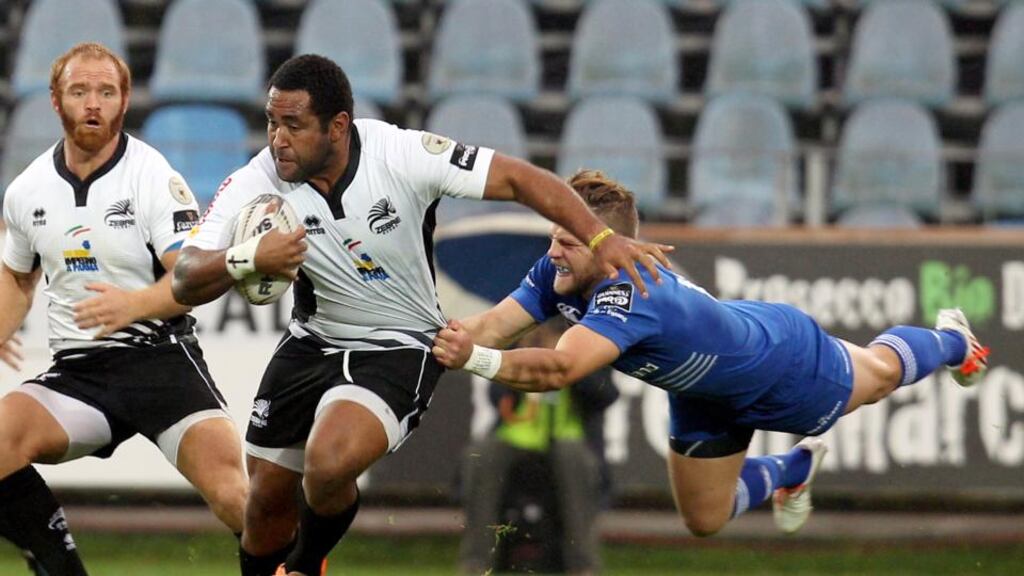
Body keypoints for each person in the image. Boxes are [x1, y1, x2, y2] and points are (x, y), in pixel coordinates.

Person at [170, 54, 671, 576]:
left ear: (338, 126)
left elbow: (522, 179)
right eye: (272, 122)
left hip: (401, 346)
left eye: (293, 125)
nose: (277, 139)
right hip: (311, 341)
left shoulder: (401, 154)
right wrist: (248, 258)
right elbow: (185, 277)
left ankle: (307, 564)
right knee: (264, 507)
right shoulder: (259, 179)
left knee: (327, 463)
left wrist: (600, 236)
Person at [432, 169, 991, 538]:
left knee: (882, 371)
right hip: (702, 393)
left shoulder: (632, 292)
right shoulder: (559, 268)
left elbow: (560, 367)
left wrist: (473, 360)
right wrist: (433, 340)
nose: (553, 250)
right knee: (704, 517)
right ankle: (792, 469)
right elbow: (491, 325)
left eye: (569, 241)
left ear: (611, 250)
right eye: (555, 236)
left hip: (779, 368)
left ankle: (955, 341)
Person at [0, 43, 248, 575]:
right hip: (80, 374)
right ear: (55, 99)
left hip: (161, 361)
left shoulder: (153, 176)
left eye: (106, 92)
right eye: (80, 91)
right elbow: (18, 275)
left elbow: (191, 276)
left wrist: (134, 306)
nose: (93, 104)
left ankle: (294, 566)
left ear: (125, 98)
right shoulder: (26, 190)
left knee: (238, 499)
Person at [459, 321, 617, 576]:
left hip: (570, 437)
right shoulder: (518, 343)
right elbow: (495, 397)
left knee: (575, 461)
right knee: (482, 456)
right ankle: (476, 564)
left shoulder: (591, 345)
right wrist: (524, 357)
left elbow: (606, 395)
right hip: (516, 435)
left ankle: (583, 566)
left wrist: (566, 365)